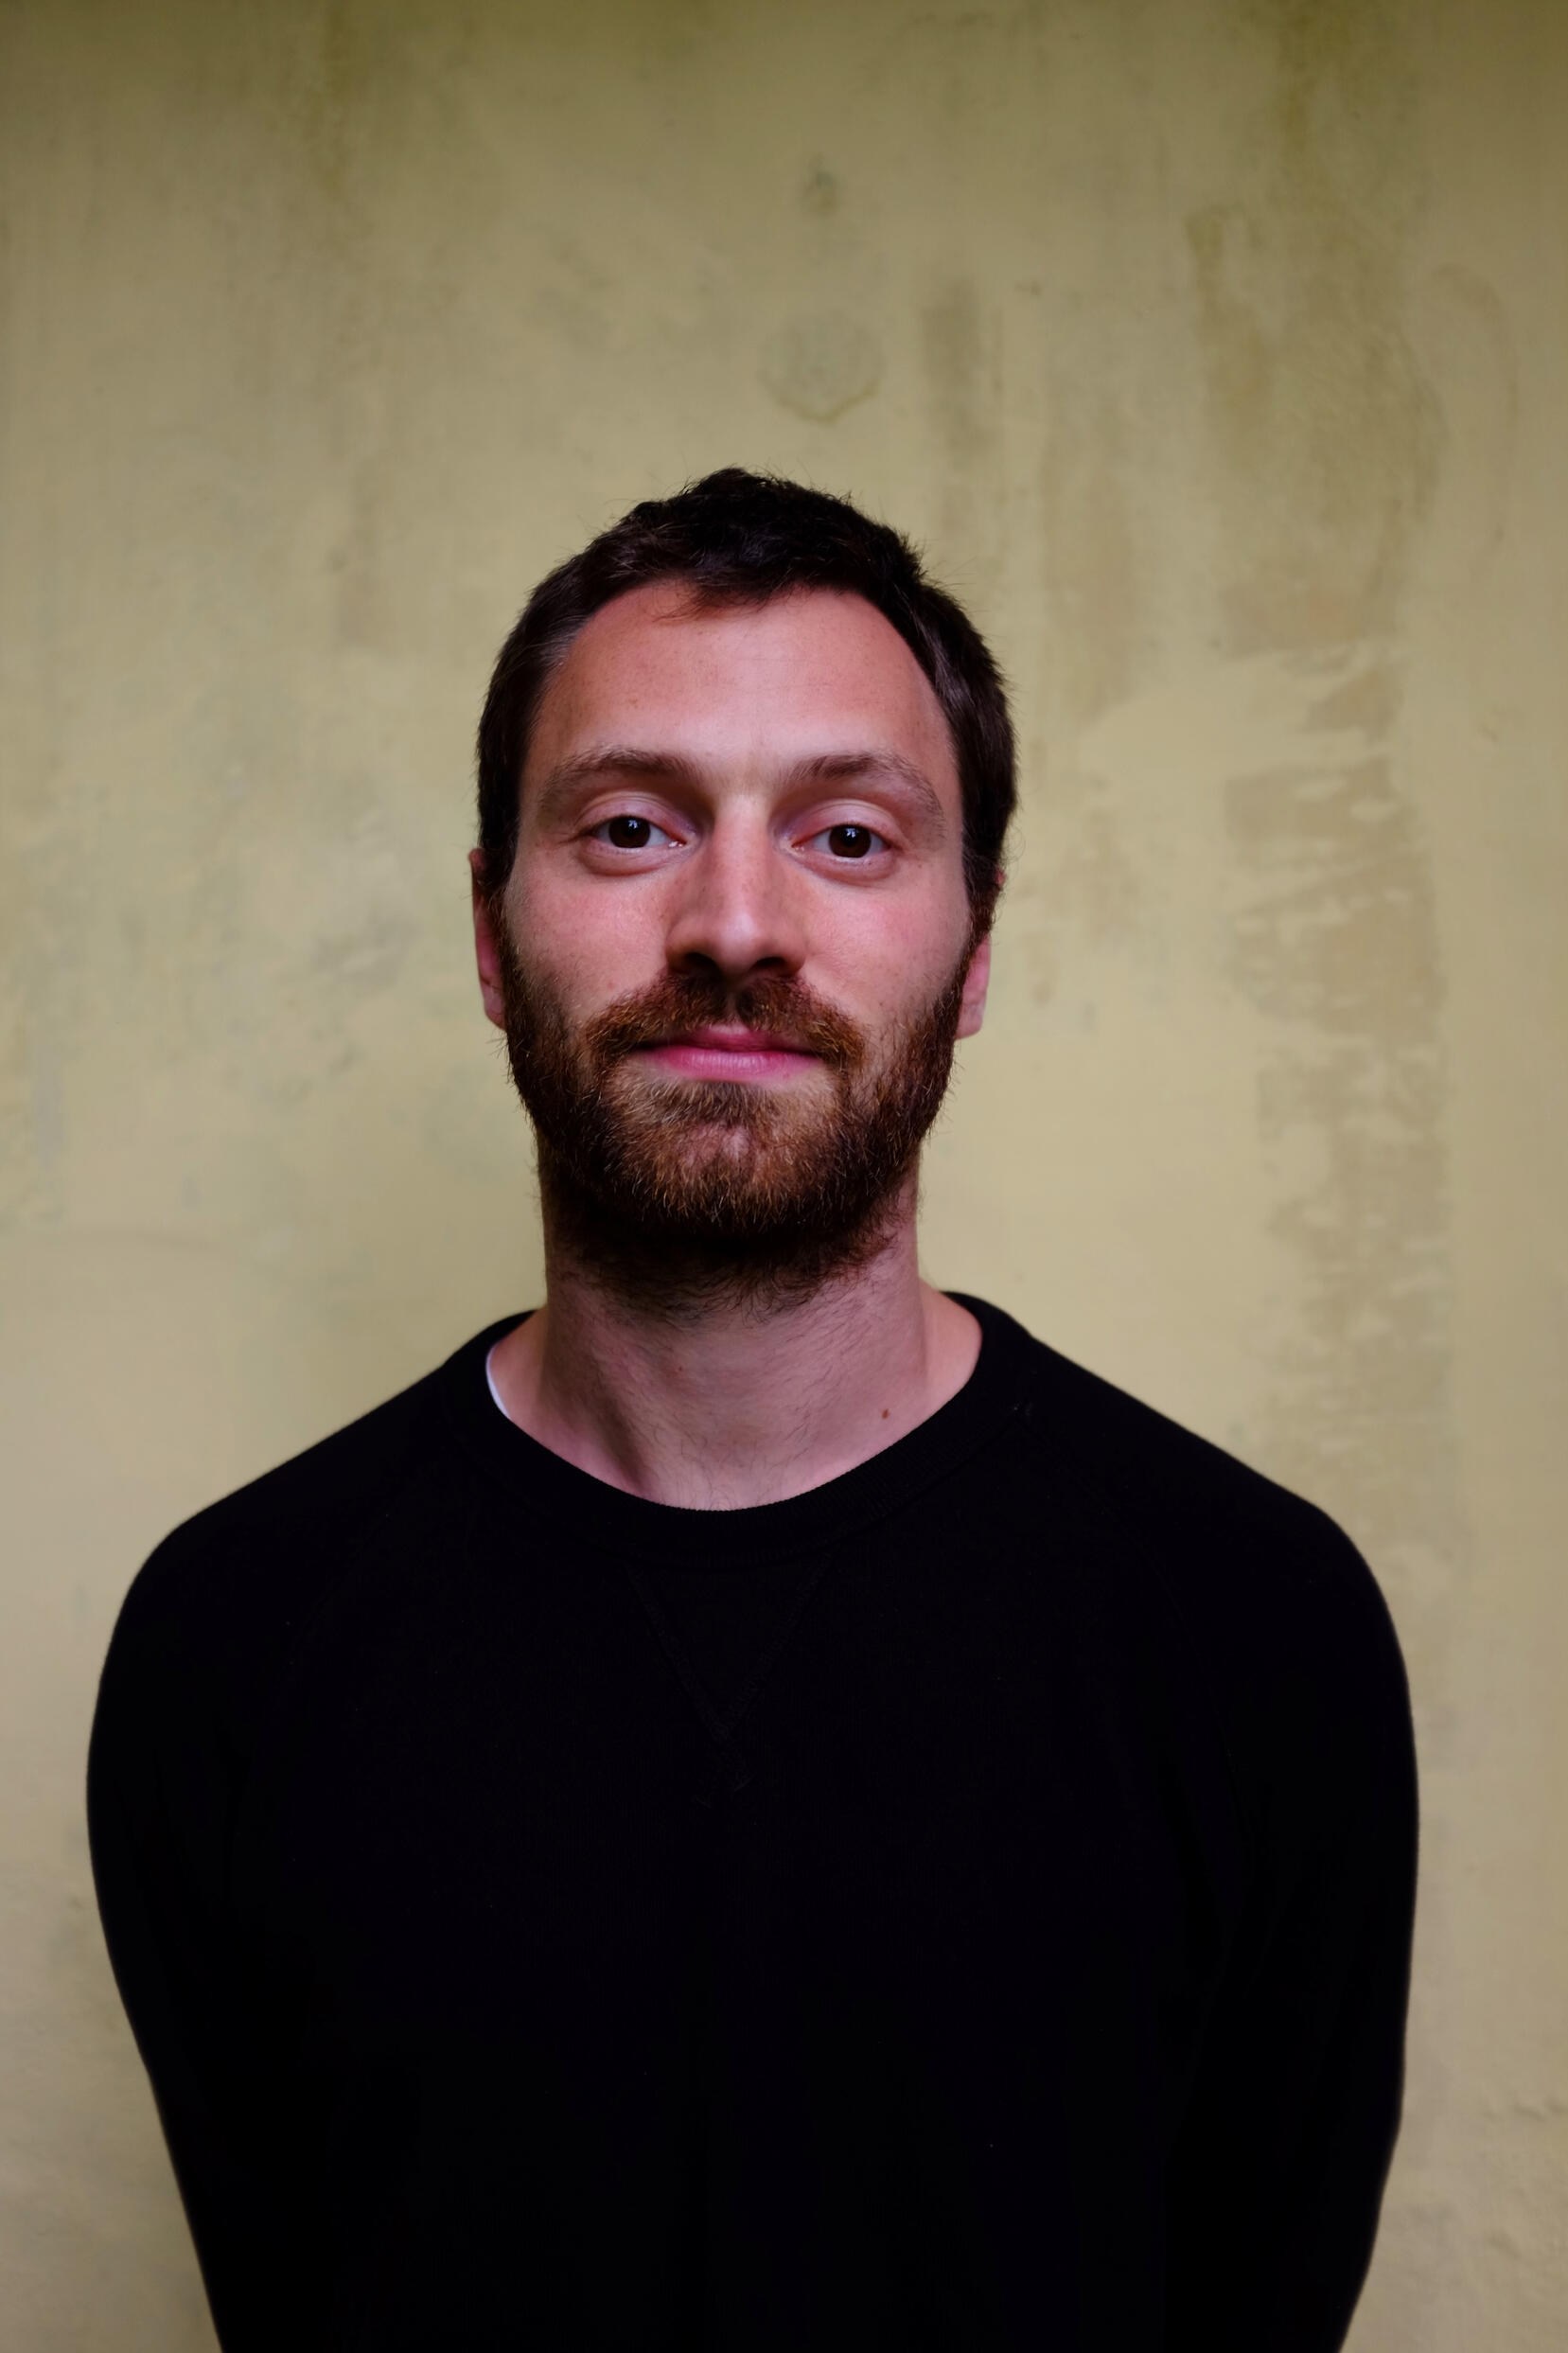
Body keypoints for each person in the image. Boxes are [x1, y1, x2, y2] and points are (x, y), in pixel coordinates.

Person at [88, 469, 1418, 2352]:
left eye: (847, 837)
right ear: (490, 935)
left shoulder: (1255, 1630)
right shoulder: (230, 1642)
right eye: (630, 826)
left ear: (973, 947)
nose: (733, 923)